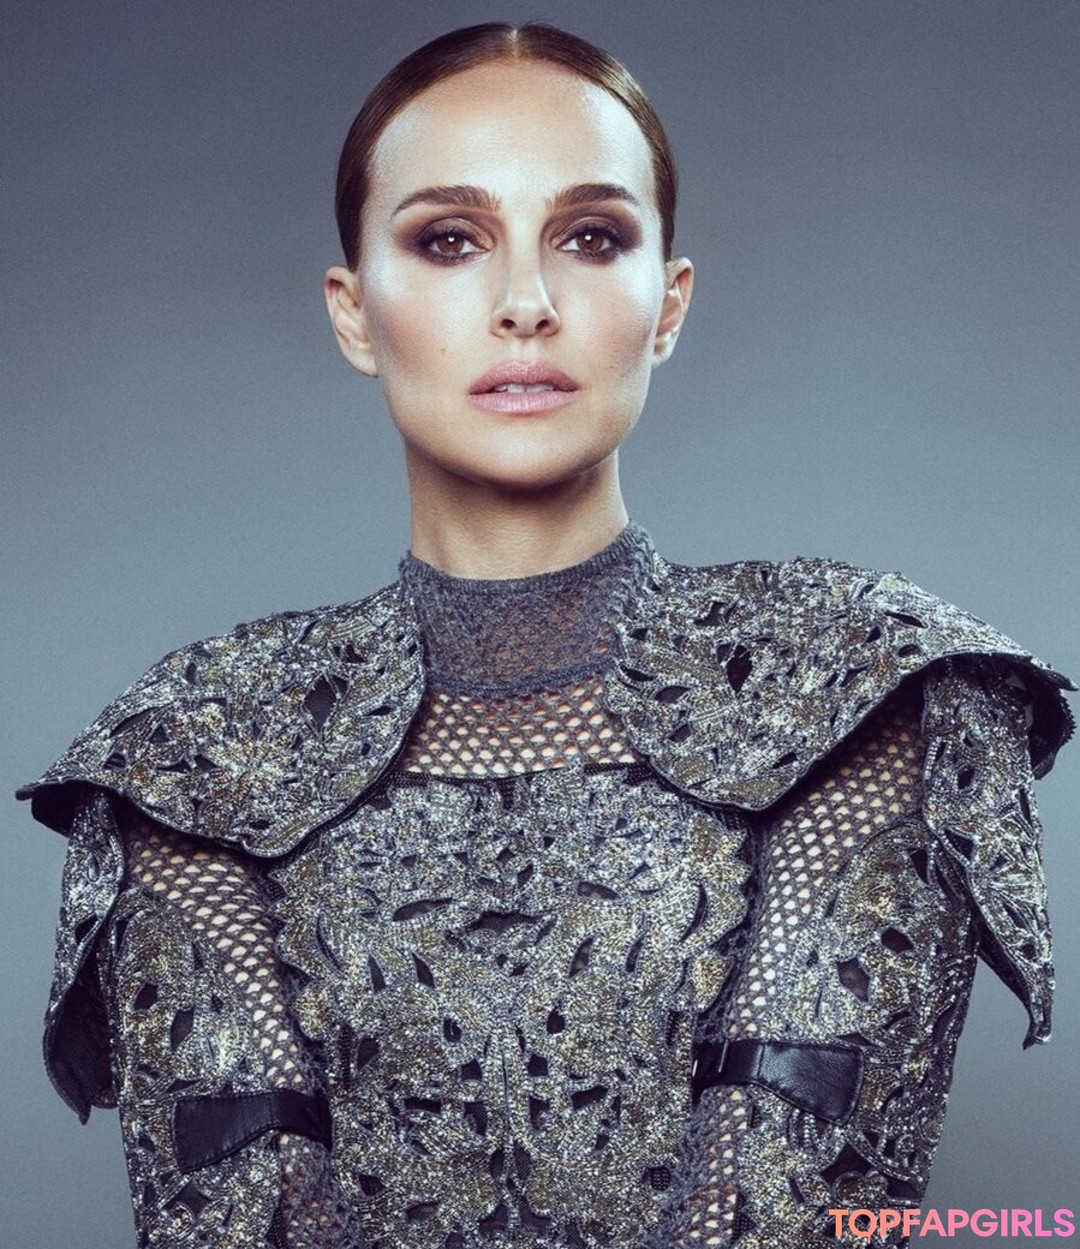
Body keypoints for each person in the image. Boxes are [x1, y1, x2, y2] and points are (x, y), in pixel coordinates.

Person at [17, 22, 1074, 1249]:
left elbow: (786, 1214)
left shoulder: (854, 687)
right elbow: (247, 1220)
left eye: (591, 237)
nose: (526, 304)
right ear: (354, 313)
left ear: (668, 302)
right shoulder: (201, 749)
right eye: (449, 240)